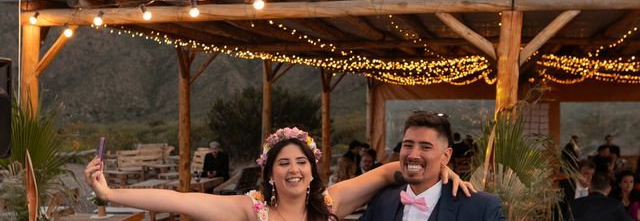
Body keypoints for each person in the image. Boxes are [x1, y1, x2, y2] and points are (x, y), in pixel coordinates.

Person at [85, 126, 474, 221]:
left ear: (312, 169)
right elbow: (179, 199)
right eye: (284, 163)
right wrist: (110, 194)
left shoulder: (330, 202)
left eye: (301, 162)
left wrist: (444, 173)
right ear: (270, 172)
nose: (294, 170)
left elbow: (394, 171)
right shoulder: (251, 209)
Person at [361, 112, 505, 220]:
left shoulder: (481, 207)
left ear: (446, 156)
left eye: (425, 147)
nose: (413, 155)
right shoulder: (381, 200)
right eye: (408, 145)